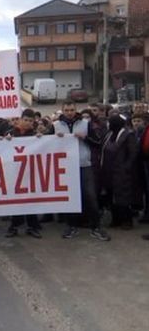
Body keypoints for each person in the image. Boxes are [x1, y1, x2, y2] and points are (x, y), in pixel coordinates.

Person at [55, 102, 110, 241]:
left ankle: (95, 227)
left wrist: (84, 138)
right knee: (70, 198)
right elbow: (44, 143)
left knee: (90, 196)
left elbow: (98, 142)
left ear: (76, 110)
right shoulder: (56, 126)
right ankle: (71, 226)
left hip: (84, 165)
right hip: (66, 166)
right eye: (66, 110)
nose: (69, 112)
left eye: (72, 109)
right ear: (62, 110)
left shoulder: (86, 124)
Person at [6, 109, 42, 239]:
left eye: (30, 121)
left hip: (30, 172)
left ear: (34, 122)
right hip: (15, 172)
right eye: (25, 120)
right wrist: (5, 140)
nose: (27, 123)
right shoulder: (10, 133)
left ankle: (32, 226)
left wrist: (40, 139)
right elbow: (0, 147)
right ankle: (14, 226)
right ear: (20, 119)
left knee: (30, 199)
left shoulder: (35, 135)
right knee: (17, 201)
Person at [102, 114, 138, 229]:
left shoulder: (128, 135)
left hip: (122, 171)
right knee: (110, 195)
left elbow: (133, 153)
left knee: (123, 196)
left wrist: (126, 167)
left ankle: (127, 220)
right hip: (108, 171)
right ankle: (115, 219)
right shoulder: (109, 134)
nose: (108, 124)